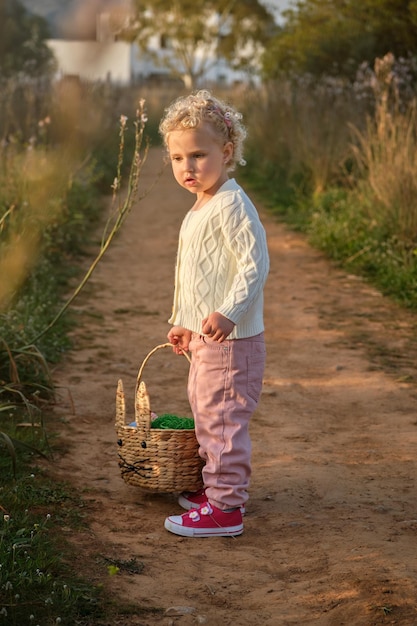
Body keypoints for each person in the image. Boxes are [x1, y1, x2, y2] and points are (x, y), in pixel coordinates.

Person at [159, 90, 269, 537]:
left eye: (199, 155)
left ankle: (225, 508)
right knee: (207, 414)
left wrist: (228, 312)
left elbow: (254, 265)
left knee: (223, 420)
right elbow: (196, 275)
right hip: (208, 339)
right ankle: (215, 488)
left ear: (226, 153)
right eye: (177, 157)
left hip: (232, 339)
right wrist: (184, 320)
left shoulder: (232, 205)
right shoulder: (202, 204)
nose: (187, 167)